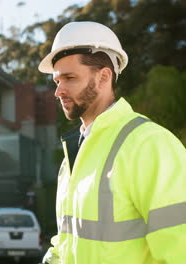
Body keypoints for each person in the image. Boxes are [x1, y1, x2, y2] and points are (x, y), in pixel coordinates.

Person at [38, 21, 186, 263]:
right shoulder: (72, 156)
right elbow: (67, 241)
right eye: (57, 81)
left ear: (104, 76)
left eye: (69, 78)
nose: (59, 91)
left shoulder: (149, 144)